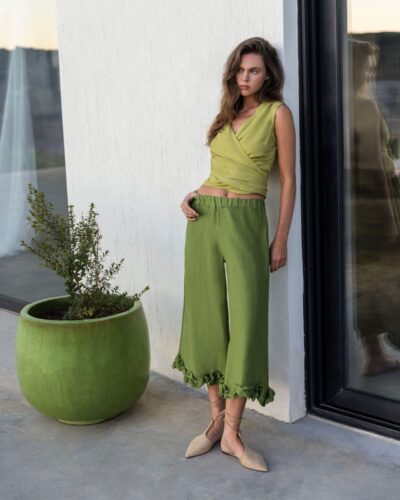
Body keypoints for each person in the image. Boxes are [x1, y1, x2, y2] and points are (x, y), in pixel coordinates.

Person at [172, 37, 296, 472]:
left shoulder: (277, 114)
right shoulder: (226, 114)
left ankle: (232, 434)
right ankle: (215, 422)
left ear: (268, 75)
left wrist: (280, 239)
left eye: (254, 71)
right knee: (207, 318)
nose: (245, 78)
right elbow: (218, 173)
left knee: (246, 322)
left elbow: (288, 180)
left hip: (246, 221)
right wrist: (190, 195)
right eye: (241, 70)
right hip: (204, 218)